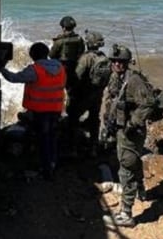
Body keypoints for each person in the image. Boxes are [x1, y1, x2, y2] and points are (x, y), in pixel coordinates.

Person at [99, 44, 155, 227]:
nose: (116, 64)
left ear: (126, 63)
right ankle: (140, 190)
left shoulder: (133, 81)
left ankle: (126, 214)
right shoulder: (117, 77)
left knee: (126, 168)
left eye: (120, 62)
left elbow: (148, 104)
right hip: (121, 128)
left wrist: (133, 123)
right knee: (132, 162)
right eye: (114, 61)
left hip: (131, 131)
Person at [1, 42, 66, 179]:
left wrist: (1, 69)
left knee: (43, 140)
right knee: (52, 138)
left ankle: (46, 171)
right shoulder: (59, 67)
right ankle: (53, 164)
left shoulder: (35, 70)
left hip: (40, 111)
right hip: (56, 109)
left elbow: (14, 78)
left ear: (32, 55)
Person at [70, 30, 109, 151]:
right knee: (94, 118)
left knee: (73, 118)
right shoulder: (104, 57)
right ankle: (94, 144)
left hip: (84, 94)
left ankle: (74, 147)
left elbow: (77, 76)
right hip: (97, 94)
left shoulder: (86, 58)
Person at [49, 16, 86, 116]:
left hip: (61, 69)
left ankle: (57, 113)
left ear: (63, 28)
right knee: (71, 93)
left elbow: (51, 55)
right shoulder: (79, 39)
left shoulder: (59, 41)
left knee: (57, 92)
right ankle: (71, 114)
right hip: (75, 68)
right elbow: (82, 51)